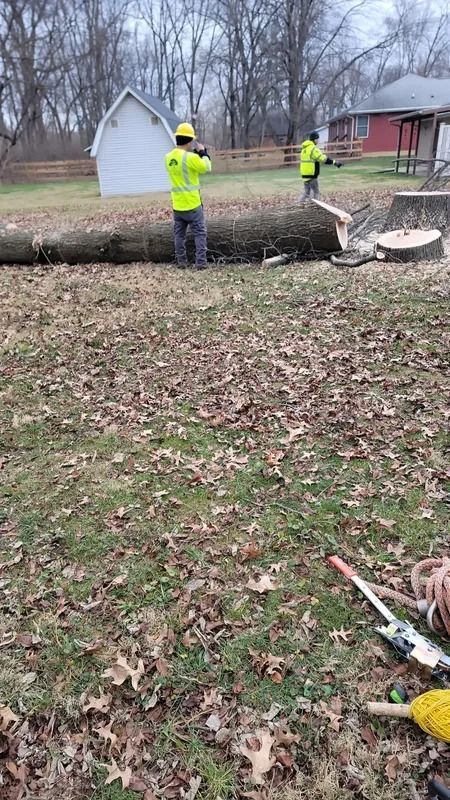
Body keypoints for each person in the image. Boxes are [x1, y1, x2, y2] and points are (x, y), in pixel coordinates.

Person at [165, 122, 212, 269]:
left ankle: (182, 262)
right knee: (199, 234)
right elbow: (207, 167)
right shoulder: (190, 158)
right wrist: (202, 153)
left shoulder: (168, 158)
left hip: (177, 205)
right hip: (192, 204)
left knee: (179, 235)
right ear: (189, 140)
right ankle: (201, 263)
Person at [299, 131, 343, 201]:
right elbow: (323, 159)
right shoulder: (313, 148)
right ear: (315, 139)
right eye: (317, 139)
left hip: (304, 173)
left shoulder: (304, 148)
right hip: (311, 173)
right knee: (316, 192)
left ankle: (299, 204)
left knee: (306, 192)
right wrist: (334, 162)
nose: (318, 140)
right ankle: (316, 206)